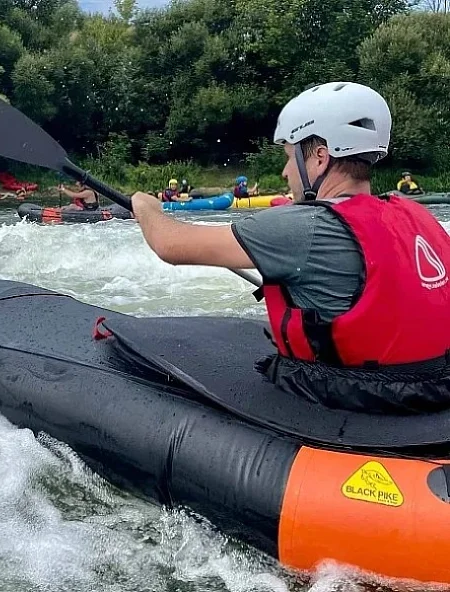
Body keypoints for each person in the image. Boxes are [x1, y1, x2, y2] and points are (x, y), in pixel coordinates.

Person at [130, 81, 450, 414]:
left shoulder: (301, 226)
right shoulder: (415, 215)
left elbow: (169, 244)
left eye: (288, 157)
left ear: (319, 158)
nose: (285, 172)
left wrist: (147, 208)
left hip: (363, 397)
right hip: (435, 386)